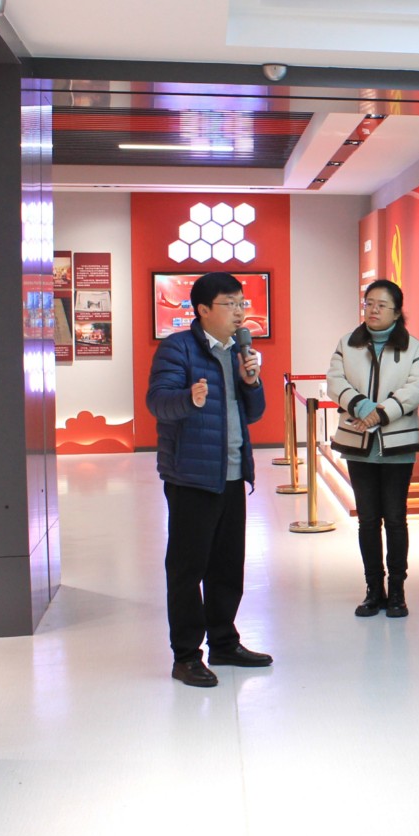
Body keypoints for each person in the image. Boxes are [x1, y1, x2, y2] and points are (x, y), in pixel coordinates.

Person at [145, 271, 270, 687]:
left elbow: (254, 413)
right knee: (187, 569)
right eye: (229, 304)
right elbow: (157, 402)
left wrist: (252, 381)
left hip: (232, 472)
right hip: (192, 476)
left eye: (241, 303)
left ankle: (224, 642)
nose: (239, 312)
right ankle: (185, 655)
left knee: (227, 566)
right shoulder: (177, 348)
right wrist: (188, 398)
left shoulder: (239, 351)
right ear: (202, 309)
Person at [327, 279, 419, 619]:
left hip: (397, 445)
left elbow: (416, 388)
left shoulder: (413, 347)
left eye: (381, 305)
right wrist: (361, 406)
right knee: (368, 520)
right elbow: (335, 381)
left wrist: (381, 414)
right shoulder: (347, 343)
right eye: (369, 303)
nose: (373, 309)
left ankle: (397, 591)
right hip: (358, 444)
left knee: (396, 519)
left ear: (397, 312)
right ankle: (374, 589)